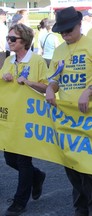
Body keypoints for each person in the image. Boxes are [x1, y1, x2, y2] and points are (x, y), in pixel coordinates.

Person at [45, 6, 92, 216]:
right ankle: (81, 207)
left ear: (78, 25)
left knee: (90, 167)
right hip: (66, 117)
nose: (65, 35)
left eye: (68, 30)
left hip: (90, 117)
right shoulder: (59, 51)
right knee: (71, 164)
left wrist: (89, 91)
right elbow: (54, 79)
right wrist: (50, 88)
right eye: (62, 32)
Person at [1, 23, 47, 216]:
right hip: (11, 119)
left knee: (23, 161)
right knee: (9, 159)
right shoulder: (9, 61)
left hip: (29, 119)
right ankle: (37, 176)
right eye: (8, 38)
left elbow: (47, 88)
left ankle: (20, 202)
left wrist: (27, 82)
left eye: (13, 39)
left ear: (25, 42)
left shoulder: (36, 61)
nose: (9, 42)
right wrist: (4, 77)